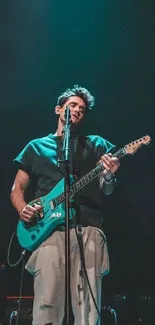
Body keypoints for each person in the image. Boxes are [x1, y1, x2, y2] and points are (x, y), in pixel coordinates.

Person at [10, 85, 120, 325]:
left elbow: (108, 189)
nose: (77, 110)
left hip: (88, 228)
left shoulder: (95, 144)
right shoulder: (35, 147)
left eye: (82, 108)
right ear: (58, 109)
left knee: (88, 312)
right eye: (72, 105)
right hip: (48, 234)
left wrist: (110, 175)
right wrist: (23, 209)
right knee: (47, 306)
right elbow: (17, 189)